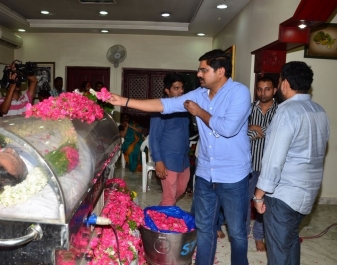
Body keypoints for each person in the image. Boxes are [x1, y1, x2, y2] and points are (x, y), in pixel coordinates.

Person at [108, 49, 252, 265]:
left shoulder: (239, 93)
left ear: (220, 71)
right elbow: (163, 105)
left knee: (237, 232)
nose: (199, 74)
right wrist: (124, 101)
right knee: (204, 227)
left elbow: (228, 128)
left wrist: (199, 112)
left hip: (232, 175)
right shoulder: (198, 94)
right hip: (205, 173)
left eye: (204, 69)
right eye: (199, 69)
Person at [254, 61, 329, 265]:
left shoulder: (287, 112)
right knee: (290, 240)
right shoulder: (319, 111)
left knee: (278, 250)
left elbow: (274, 159)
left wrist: (259, 194)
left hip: (284, 195)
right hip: (308, 192)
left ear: (284, 83)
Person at [149, 73, 190, 206]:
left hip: (184, 159)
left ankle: (161, 212)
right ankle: (165, 224)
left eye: (182, 87)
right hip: (168, 159)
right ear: (167, 90)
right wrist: (158, 161)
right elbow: (154, 138)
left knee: (181, 189)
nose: (181, 91)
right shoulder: (160, 109)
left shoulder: (185, 107)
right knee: (169, 198)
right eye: (176, 88)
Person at [247, 76, 278, 251]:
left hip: (269, 168)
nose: (262, 92)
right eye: (259, 89)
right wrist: (251, 129)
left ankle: (259, 236)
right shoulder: (248, 109)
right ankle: (242, 234)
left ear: (274, 90)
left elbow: (278, 134)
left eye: (267, 89)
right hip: (248, 165)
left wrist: (257, 129)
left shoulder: (281, 111)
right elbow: (238, 131)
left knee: (263, 205)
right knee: (244, 202)